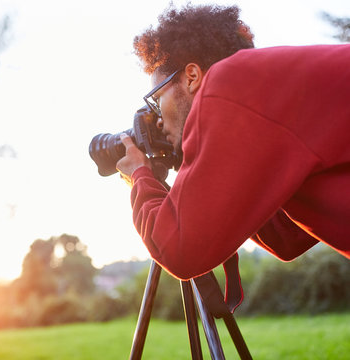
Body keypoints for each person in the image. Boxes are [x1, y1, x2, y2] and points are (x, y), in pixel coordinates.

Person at [116, 3, 350, 280]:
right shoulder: (267, 95)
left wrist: (140, 175)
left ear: (192, 76)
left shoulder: (228, 82)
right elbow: (286, 237)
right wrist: (199, 162)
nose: (156, 120)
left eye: (157, 99)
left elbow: (179, 250)